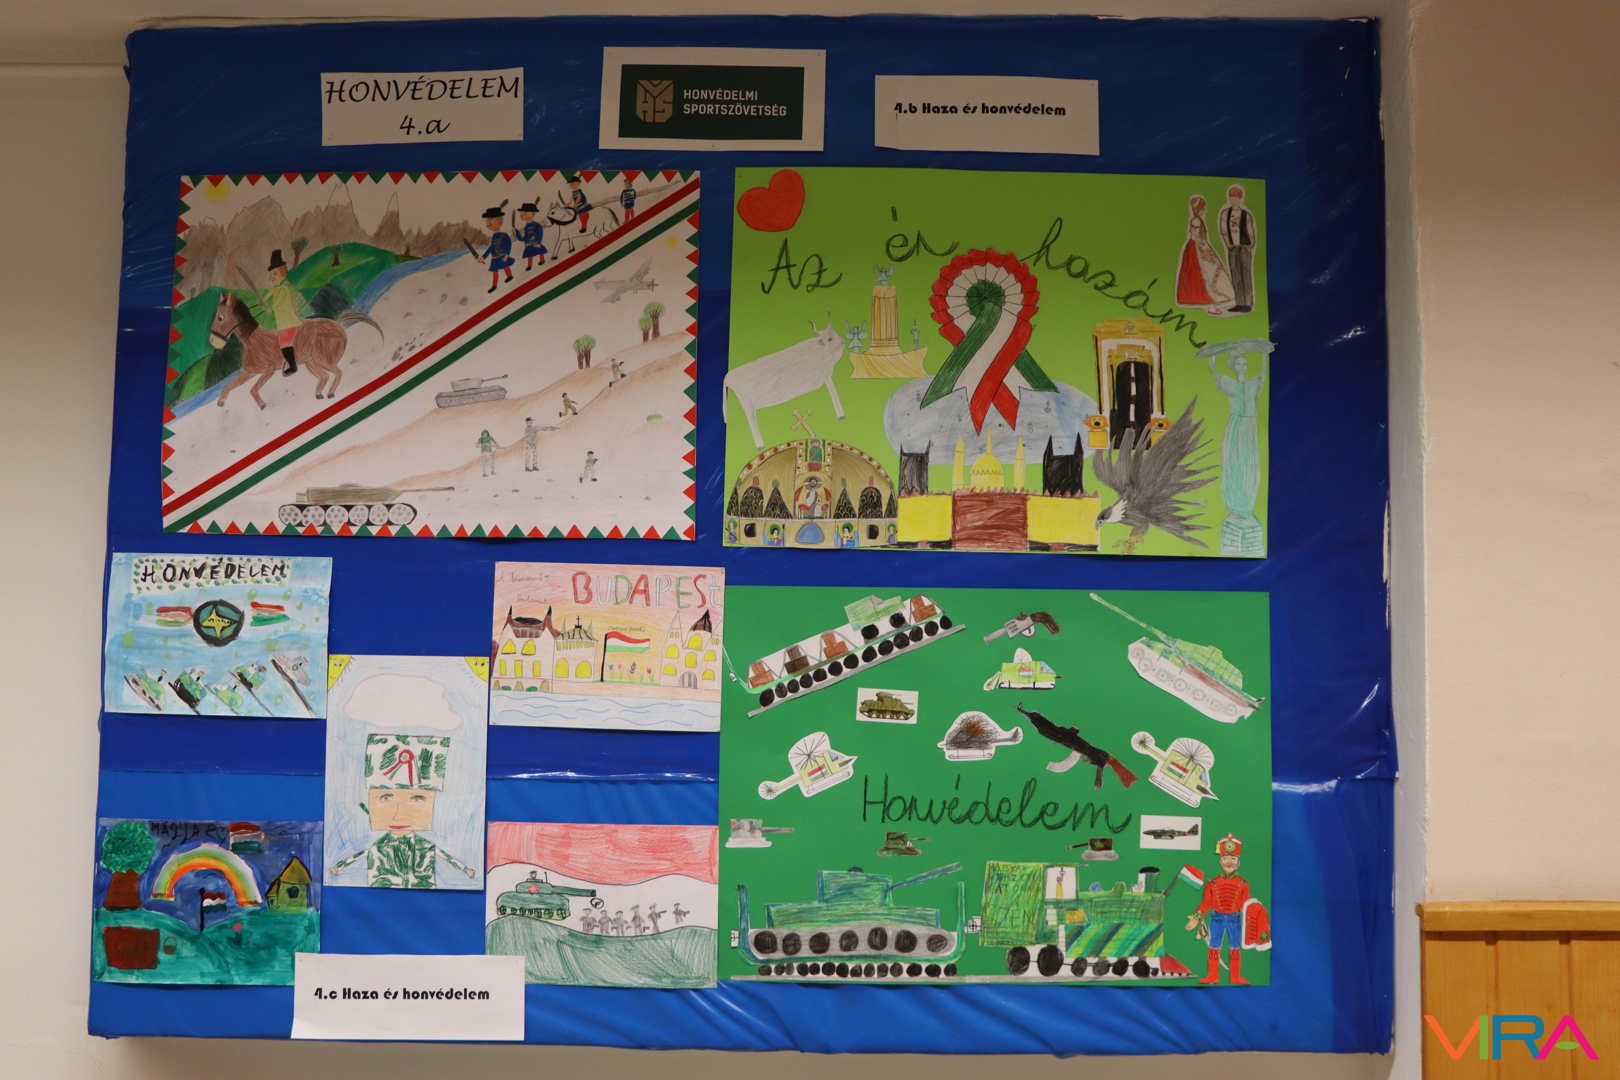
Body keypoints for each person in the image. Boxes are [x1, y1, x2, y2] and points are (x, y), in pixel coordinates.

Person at [329, 734, 476, 889]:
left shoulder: (424, 846)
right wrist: (339, 867)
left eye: (417, 799)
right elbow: (359, 855)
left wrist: (465, 870)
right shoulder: (379, 847)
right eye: (386, 798)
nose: (398, 815)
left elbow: (445, 857)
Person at [1185, 833, 1257, 985]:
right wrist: (1195, 918)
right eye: (1225, 858)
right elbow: (1206, 904)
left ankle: (1235, 977)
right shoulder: (1212, 883)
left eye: (1233, 859)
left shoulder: (1243, 883)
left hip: (1235, 918)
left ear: (1238, 862)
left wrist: (1255, 922)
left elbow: (1246, 907)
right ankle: (1212, 976)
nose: (1229, 862)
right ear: (1220, 861)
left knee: (1235, 947)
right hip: (1216, 918)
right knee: (1214, 946)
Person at [255, 249, 314, 376]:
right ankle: (290, 363)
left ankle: (293, 365)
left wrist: (271, 308)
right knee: (282, 341)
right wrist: (262, 301)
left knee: (284, 341)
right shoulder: (276, 288)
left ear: (282, 272)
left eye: (275, 274)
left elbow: (280, 301)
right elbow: (269, 293)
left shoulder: (284, 289)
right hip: (284, 322)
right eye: (272, 274)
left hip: (289, 321)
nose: (272, 277)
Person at [1174, 195, 1235, 316]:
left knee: (1211, 273)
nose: (1205, 209)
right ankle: (1211, 304)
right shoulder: (1196, 220)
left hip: (1200, 247)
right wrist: (1201, 242)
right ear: (1200, 209)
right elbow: (1193, 232)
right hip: (1197, 249)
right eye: (1204, 207)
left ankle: (1212, 303)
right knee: (1206, 273)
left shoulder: (1198, 219)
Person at [1217, 185, 1258, 313]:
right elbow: (1224, 231)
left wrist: (1249, 247)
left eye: (1235, 198)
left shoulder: (1246, 215)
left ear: (1240, 199)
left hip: (1244, 247)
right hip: (1233, 248)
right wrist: (1229, 245)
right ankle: (1240, 303)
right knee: (1236, 276)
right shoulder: (1225, 213)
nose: (1233, 200)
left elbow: (1251, 233)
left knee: (1246, 275)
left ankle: (1247, 303)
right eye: (1231, 198)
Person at [476, 201, 514, 293]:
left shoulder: (504, 235)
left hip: (502, 256)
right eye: (487, 221)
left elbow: (508, 245)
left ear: (499, 221)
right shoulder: (493, 237)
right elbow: (491, 248)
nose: (488, 224)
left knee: (505, 266)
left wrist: (507, 255)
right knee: (495, 271)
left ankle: (509, 276)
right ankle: (494, 285)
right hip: (495, 257)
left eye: (490, 221)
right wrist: (483, 257)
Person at [514, 201, 547, 271]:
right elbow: (524, 238)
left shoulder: (537, 225)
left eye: (524, 213)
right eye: (522, 213)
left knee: (540, 251)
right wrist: (516, 232)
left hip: (535, 243)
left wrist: (538, 242)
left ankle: (542, 260)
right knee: (529, 254)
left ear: (533, 214)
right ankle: (529, 265)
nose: (522, 215)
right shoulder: (526, 226)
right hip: (529, 244)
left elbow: (540, 233)